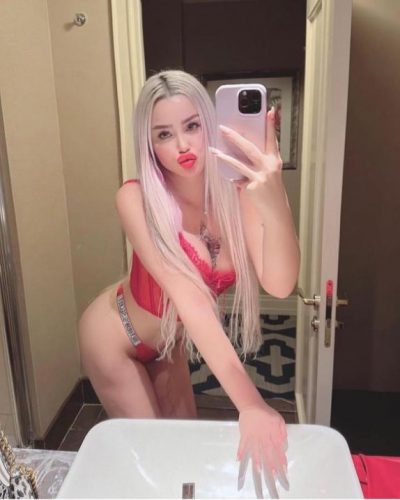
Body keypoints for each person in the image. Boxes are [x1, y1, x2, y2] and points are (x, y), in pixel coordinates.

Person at [78, 69, 300, 498]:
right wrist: (251, 404)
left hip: (169, 342)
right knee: (153, 464)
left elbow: (279, 284)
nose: (182, 145)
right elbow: (191, 299)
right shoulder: (136, 198)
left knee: (185, 452)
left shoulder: (237, 195)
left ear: (209, 124)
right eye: (164, 134)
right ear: (148, 143)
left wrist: (275, 200)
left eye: (192, 126)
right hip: (114, 339)